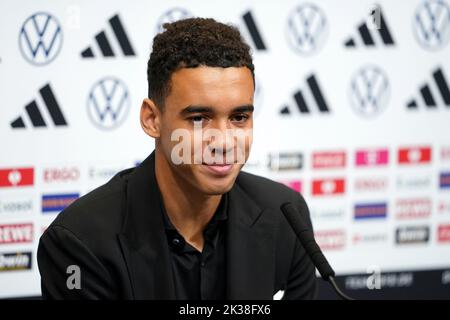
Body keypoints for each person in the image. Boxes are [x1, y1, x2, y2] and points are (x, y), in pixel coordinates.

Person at [37, 17, 317, 299]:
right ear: (151, 119)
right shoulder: (80, 242)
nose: (223, 141)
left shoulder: (286, 217)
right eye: (198, 119)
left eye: (239, 117)